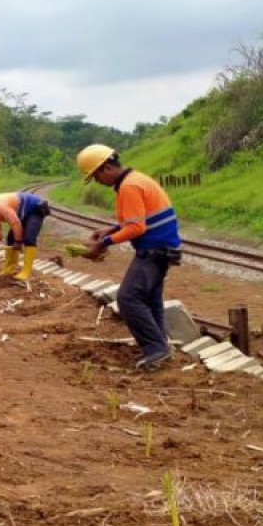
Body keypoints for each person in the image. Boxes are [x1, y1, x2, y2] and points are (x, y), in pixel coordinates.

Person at [77, 144, 183, 370]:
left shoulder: (129, 187)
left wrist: (103, 243)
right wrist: (111, 230)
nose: (97, 181)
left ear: (106, 168)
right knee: (150, 299)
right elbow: (137, 219)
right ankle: (161, 345)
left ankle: (156, 349)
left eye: (96, 176)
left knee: (128, 298)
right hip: (163, 248)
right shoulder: (136, 180)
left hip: (154, 250)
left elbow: (136, 228)